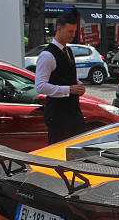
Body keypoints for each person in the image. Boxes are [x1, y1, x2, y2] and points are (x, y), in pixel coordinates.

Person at [35, 13, 86, 144]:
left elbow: (71, 78)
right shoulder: (47, 55)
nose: (72, 35)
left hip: (74, 113)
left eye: (74, 31)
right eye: (70, 31)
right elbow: (40, 86)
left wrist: (79, 86)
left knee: (78, 152)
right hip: (58, 116)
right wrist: (69, 89)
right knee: (58, 154)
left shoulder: (69, 51)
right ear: (59, 29)